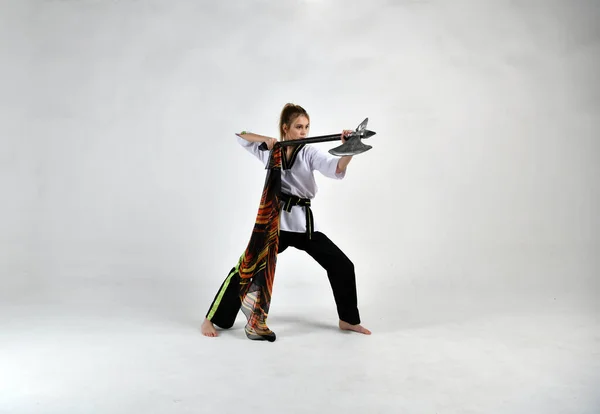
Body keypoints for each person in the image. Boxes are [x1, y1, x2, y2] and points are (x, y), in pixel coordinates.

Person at [201, 103, 371, 340]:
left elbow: (335, 168)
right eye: (299, 127)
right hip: (275, 226)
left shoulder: (309, 152)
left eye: (307, 127)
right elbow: (241, 136)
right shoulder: (271, 150)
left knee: (342, 265)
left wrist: (348, 149)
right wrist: (267, 140)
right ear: (285, 128)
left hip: (303, 225)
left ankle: (348, 320)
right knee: (246, 267)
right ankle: (211, 319)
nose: (304, 132)